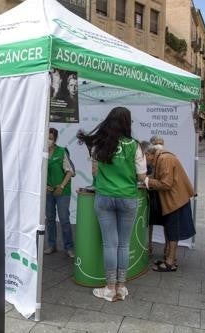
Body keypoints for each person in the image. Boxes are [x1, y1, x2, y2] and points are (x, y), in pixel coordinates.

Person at [77, 107, 147, 302]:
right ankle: (121, 287)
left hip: (105, 197)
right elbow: (142, 176)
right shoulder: (136, 146)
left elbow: (94, 172)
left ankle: (109, 288)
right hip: (128, 197)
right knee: (124, 244)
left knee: (110, 244)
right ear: (127, 122)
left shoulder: (99, 143)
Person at [144, 145, 196, 271]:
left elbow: (166, 184)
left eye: (143, 157)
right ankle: (169, 258)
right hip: (175, 199)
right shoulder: (163, 157)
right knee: (171, 230)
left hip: (175, 201)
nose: (144, 161)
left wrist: (146, 180)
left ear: (148, 154)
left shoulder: (164, 159)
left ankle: (170, 262)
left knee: (172, 231)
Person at [44, 128, 75, 258]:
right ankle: (52, 245)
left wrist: (61, 186)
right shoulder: (42, 153)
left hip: (62, 191)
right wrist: (44, 186)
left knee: (64, 219)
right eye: (47, 137)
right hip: (48, 191)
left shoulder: (62, 151)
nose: (48, 140)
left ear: (55, 139)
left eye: (51, 138)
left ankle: (69, 247)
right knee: (50, 219)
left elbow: (70, 171)